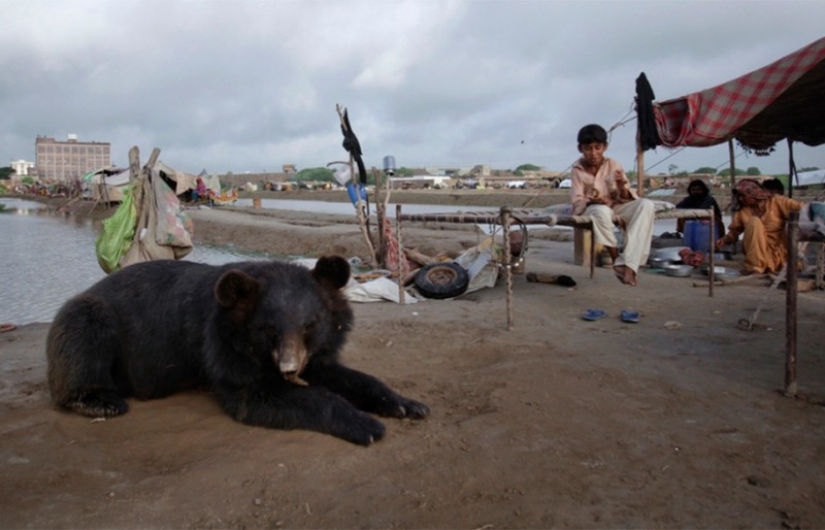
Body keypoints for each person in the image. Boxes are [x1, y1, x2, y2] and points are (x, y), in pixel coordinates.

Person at [571, 124, 655, 286]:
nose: (593, 153)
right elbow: (577, 200)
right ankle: (616, 259)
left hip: (616, 206)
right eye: (588, 148)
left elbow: (625, 198)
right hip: (593, 208)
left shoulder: (614, 165)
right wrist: (592, 201)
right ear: (580, 149)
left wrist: (622, 187)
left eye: (597, 147)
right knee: (601, 211)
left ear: (605, 147)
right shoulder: (577, 169)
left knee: (646, 205)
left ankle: (629, 264)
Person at [714, 178, 804, 275]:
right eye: (739, 196)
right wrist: (723, 240)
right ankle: (756, 268)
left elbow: (802, 208)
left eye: (742, 196)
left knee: (788, 226)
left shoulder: (776, 201)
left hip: (779, 253)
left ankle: (776, 266)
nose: (740, 199)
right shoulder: (743, 212)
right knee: (754, 221)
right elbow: (734, 232)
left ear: (753, 193)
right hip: (756, 256)